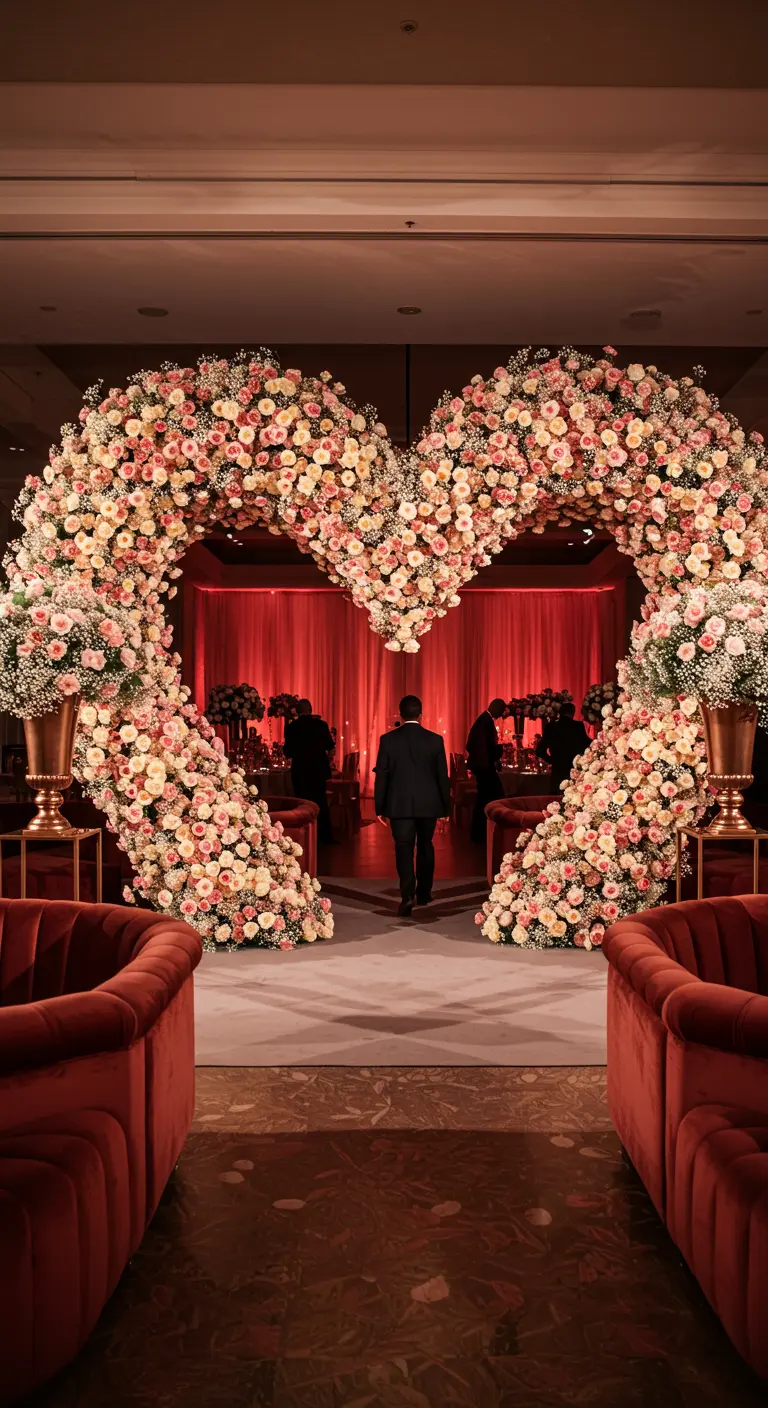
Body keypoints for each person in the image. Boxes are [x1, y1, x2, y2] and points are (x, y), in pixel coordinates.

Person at [374, 695, 451, 917]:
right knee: (426, 845)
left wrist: (379, 807)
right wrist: (446, 808)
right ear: (421, 714)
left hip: (399, 805)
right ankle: (424, 893)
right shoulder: (435, 740)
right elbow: (442, 777)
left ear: (400, 714)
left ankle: (407, 896)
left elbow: (382, 776)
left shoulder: (388, 740)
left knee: (403, 848)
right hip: (429, 803)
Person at [283, 698, 335, 844]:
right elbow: (330, 746)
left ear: (297, 711)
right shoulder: (321, 725)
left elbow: (288, 751)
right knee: (320, 801)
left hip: (300, 769)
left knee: (302, 802)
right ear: (310, 709)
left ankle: (304, 836)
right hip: (318, 769)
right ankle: (324, 836)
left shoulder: (292, 727)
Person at [466, 698, 506, 844]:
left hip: (482, 767)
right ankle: (483, 834)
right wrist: (498, 753)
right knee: (491, 798)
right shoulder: (486, 722)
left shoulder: (483, 720)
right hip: (485, 768)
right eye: (501, 711)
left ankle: (481, 833)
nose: (502, 715)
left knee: (484, 799)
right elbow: (485, 747)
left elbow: (471, 745)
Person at [535, 700, 590, 794]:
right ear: (573, 713)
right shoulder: (578, 726)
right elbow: (587, 747)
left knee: (554, 800)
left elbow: (539, 751)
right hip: (574, 770)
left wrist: (552, 760)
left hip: (557, 770)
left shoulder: (551, 726)